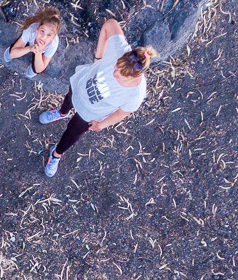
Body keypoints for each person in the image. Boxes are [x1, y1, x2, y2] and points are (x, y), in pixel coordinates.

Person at [37, 19, 156, 178]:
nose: (114, 73)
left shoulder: (135, 94)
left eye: (120, 75)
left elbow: (122, 113)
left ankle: (56, 154)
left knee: (73, 133)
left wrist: (101, 124)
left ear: (134, 77)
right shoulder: (120, 49)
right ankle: (62, 113)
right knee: (69, 99)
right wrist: (98, 57)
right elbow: (110, 24)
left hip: (90, 113)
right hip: (81, 85)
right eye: (116, 67)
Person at [6, 7, 61, 78]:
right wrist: (30, 48)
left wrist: (38, 52)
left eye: (49, 35)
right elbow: (12, 54)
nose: (43, 37)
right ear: (37, 29)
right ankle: (12, 49)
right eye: (42, 31)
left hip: (41, 51)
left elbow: (39, 69)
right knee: (12, 52)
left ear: (53, 37)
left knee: (36, 67)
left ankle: (33, 68)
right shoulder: (30, 30)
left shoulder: (53, 44)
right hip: (30, 42)